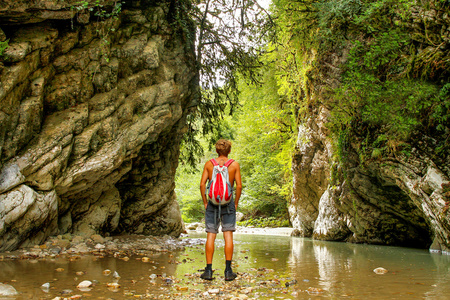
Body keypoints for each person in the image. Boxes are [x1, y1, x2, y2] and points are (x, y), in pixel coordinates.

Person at [199, 139, 242, 281]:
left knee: (211, 235)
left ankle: (209, 271)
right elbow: (239, 186)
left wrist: (205, 202)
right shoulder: (234, 165)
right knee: (228, 235)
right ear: (229, 150)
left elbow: (202, 184)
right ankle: (228, 271)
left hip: (212, 203)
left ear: (217, 151)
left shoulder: (209, 164)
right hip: (228, 203)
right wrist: (235, 203)